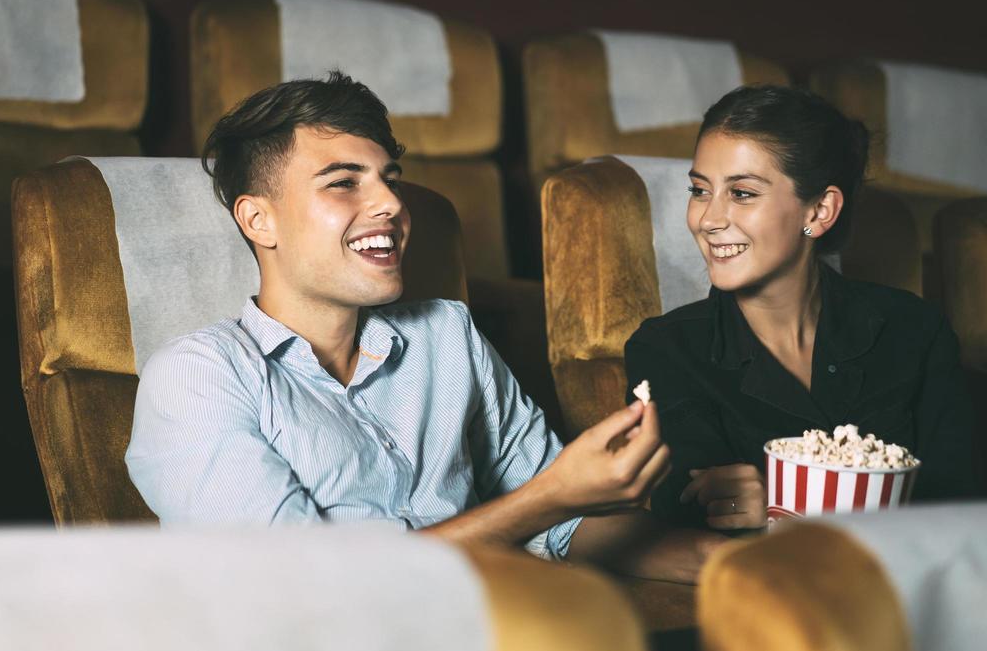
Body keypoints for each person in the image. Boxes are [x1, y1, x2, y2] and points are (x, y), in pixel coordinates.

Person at [127, 71, 723, 581]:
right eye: (343, 182)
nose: (389, 202)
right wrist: (550, 498)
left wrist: (734, 564)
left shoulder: (447, 335)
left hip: (507, 628)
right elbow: (305, 590)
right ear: (259, 220)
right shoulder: (197, 377)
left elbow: (570, 524)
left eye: (389, 177)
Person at [625, 84, 976, 531]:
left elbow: (962, 509)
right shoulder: (665, 350)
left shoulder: (916, 331)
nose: (708, 219)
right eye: (699, 190)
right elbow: (688, 511)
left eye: (742, 193)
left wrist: (784, 508)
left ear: (819, 211)